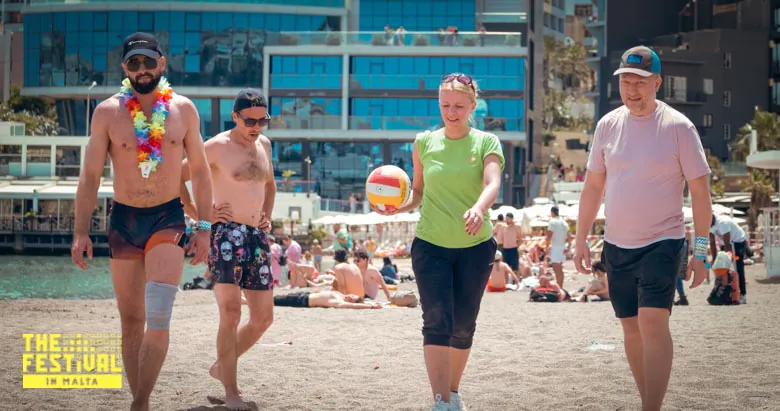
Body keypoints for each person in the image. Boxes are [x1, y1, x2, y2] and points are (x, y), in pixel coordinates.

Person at [71, 32, 213, 411]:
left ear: (161, 63)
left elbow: (201, 172)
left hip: (167, 217)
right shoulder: (106, 112)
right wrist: (80, 231)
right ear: (124, 67)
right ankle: (143, 403)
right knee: (131, 321)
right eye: (134, 63)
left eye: (149, 61)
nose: (142, 69)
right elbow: (90, 175)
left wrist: (205, 228)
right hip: (124, 219)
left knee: (159, 316)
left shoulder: (184, 110)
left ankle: (139, 402)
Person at [573, 46, 712, 411]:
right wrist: (580, 238)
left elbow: (700, 193)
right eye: (626, 83)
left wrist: (700, 253)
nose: (632, 90)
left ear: (657, 83)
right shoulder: (608, 125)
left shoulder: (679, 127)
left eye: (640, 83)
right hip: (617, 245)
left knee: (652, 322)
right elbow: (593, 187)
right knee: (631, 327)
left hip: (663, 241)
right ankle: (649, 401)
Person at [374, 72, 503, 411]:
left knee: (463, 325)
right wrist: (398, 207)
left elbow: (492, 183)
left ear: (473, 106)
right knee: (436, 320)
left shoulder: (486, 142)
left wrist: (478, 208)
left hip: (476, 246)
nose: (451, 112)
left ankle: (453, 390)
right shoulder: (423, 143)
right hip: (430, 244)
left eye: (459, 106)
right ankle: (441, 400)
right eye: (445, 105)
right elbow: (417, 192)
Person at [179, 88, 276, 411]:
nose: (256, 127)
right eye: (250, 121)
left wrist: (267, 216)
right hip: (225, 236)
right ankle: (232, 393)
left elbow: (270, 185)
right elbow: (178, 177)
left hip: (256, 237)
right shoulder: (216, 146)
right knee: (231, 313)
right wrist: (200, 214)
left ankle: (222, 366)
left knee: (263, 318)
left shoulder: (265, 145)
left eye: (263, 120)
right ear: (235, 117)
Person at [710, 214, 748, 304]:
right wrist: (714, 259)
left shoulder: (723, 222)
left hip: (738, 242)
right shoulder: (709, 223)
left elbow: (728, 244)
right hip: (727, 244)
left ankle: (742, 294)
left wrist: (727, 261)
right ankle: (728, 292)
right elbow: (712, 242)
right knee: (723, 269)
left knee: (738, 268)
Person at [274, 290, 382, 309]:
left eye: (351, 299)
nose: (349, 297)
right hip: (305, 294)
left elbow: (354, 305)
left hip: (301, 300)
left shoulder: (339, 302)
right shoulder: (340, 295)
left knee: (273, 300)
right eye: (352, 295)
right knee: (277, 297)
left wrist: (371, 306)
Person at [546, 205, 571, 287]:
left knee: (556, 268)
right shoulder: (564, 222)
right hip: (562, 246)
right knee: (560, 268)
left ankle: (559, 287)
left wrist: (547, 246)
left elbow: (549, 235)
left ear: (552, 212)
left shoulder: (552, 221)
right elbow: (569, 236)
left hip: (556, 246)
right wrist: (569, 246)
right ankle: (560, 286)